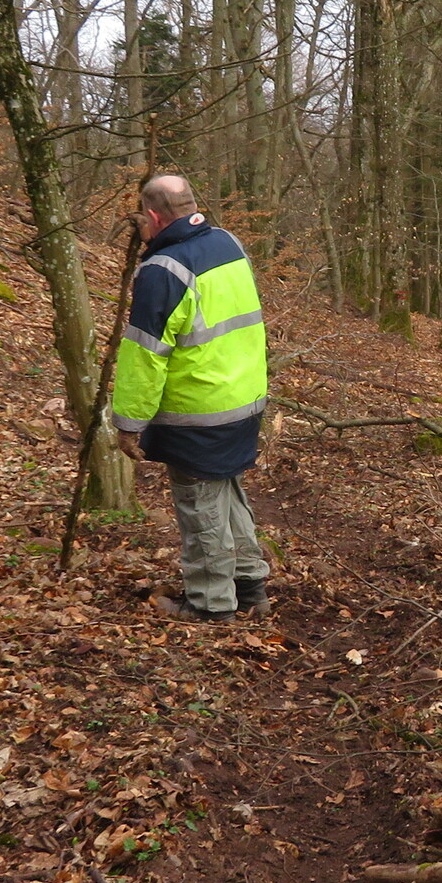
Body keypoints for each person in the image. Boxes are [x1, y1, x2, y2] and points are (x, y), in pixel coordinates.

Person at [110, 173, 271, 621]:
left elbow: (145, 356)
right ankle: (250, 586)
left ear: (154, 215)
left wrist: (128, 422)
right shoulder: (227, 243)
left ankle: (211, 604)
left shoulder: (163, 271)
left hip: (199, 409)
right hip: (244, 397)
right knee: (226, 491)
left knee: (201, 506)